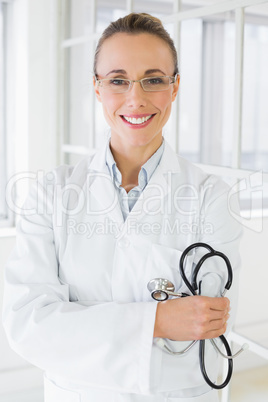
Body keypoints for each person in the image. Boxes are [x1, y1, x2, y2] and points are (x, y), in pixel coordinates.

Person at [3, 12, 242, 402]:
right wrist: (158, 321)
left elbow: (206, 327)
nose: (136, 98)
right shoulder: (51, 193)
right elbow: (28, 324)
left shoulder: (211, 196)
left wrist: (83, 328)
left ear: (175, 86)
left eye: (154, 79)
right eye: (118, 80)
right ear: (97, 88)